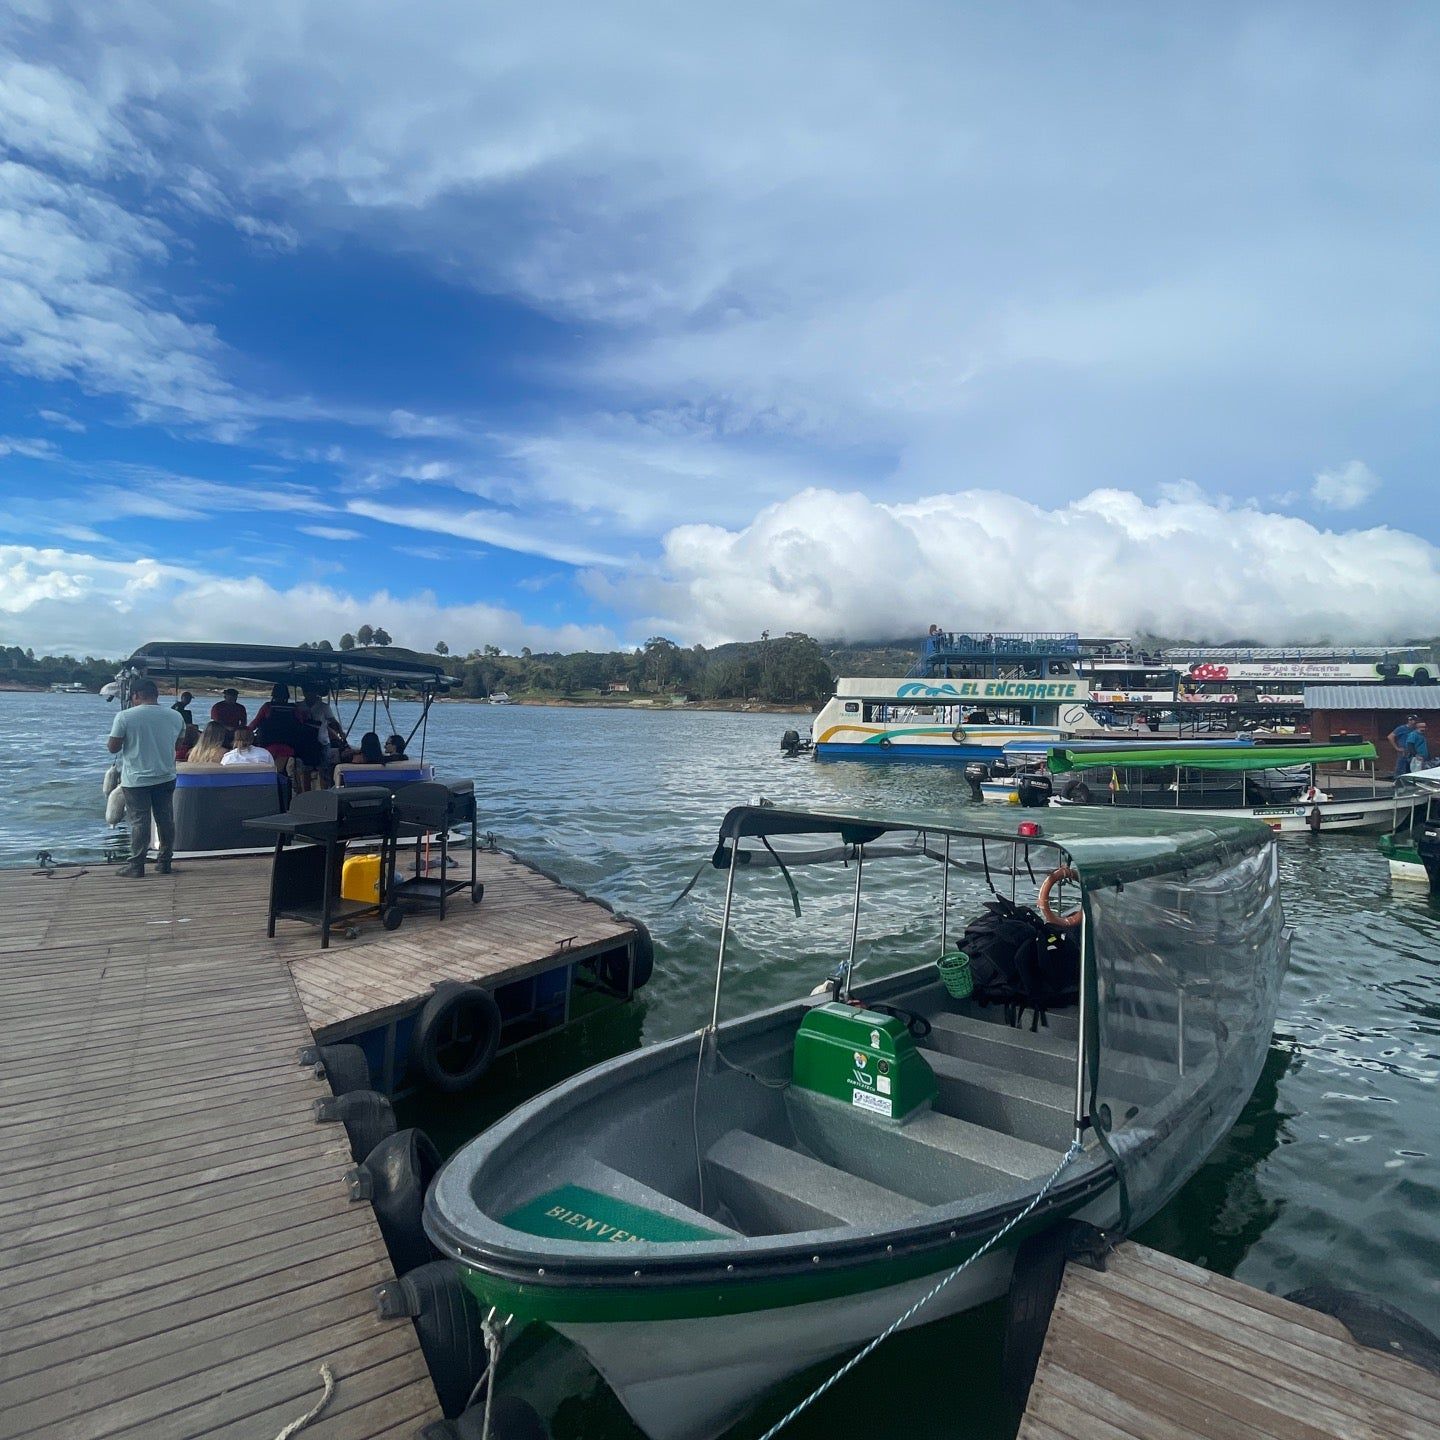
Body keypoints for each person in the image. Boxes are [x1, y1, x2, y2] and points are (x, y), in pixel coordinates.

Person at [107, 678, 184, 877]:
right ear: (155, 695)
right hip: (166, 775)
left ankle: (137, 865)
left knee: (139, 822)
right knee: (165, 820)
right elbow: (179, 744)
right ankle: (165, 862)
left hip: (136, 779)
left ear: (136, 695)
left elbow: (112, 747)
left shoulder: (125, 717)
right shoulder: (175, 716)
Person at [1389, 714, 1418, 780]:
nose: (1413, 722)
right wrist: (1396, 748)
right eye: (1411, 720)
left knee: (1411, 768)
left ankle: (1409, 782)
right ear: (1408, 721)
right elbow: (1390, 737)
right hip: (1404, 751)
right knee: (1400, 767)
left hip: (1413, 751)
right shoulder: (1402, 728)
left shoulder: (1415, 730)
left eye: (1414, 720)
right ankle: (1397, 781)